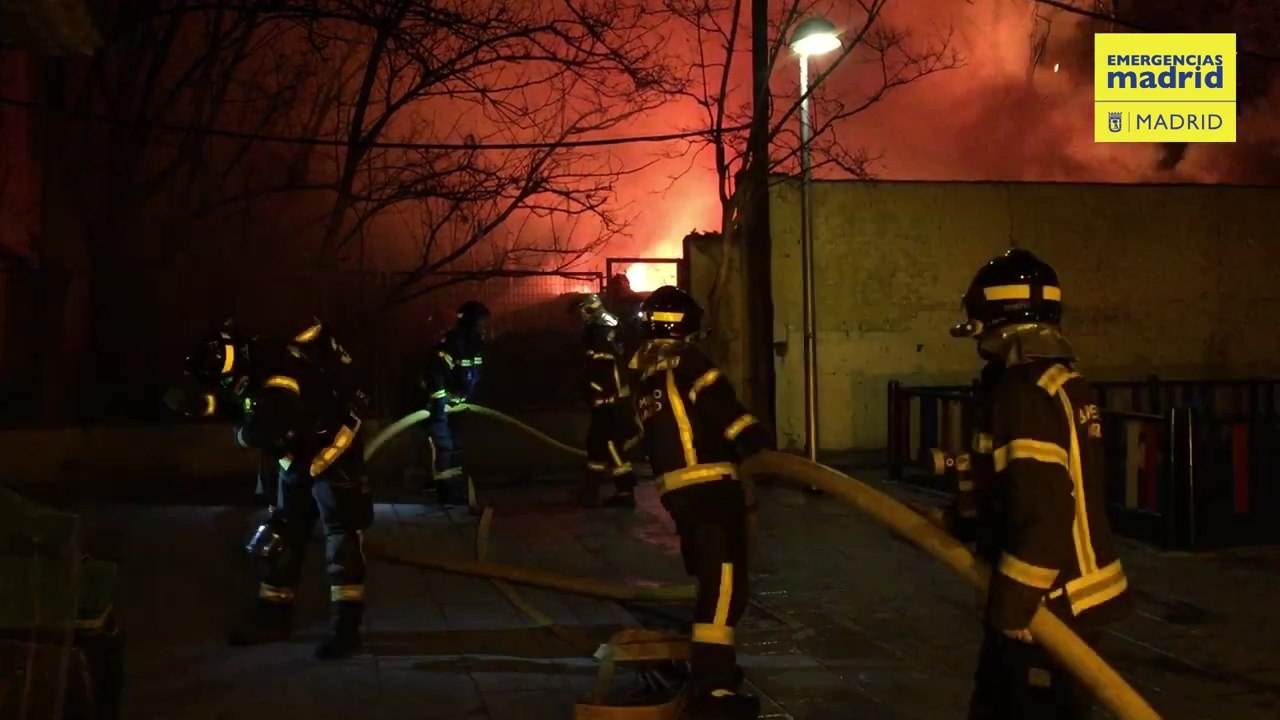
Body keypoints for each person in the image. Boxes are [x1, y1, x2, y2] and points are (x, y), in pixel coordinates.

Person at [948, 249, 1134, 719]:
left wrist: (1013, 609)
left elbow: (1043, 512)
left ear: (995, 318)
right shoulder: (1060, 381)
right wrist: (954, 520)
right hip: (1073, 596)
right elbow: (1017, 491)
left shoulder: (1022, 392)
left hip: (1050, 604)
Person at [170, 323, 373, 659]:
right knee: (284, 533)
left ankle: (346, 630)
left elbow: (271, 419)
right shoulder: (248, 370)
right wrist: (197, 405)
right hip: (295, 458)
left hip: (334, 453)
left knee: (342, 538)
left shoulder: (274, 367)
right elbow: (238, 404)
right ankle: (273, 617)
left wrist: (242, 435)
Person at [629, 285, 771, 720]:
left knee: (718, 583)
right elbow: (728, 416)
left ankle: (714, 670)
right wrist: (763, 449)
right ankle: (713, 690)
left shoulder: (645, 371)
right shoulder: (690, 363)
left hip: (678, 492)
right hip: (712, 487)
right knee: (725, 587)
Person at [569, 293, 639, 508]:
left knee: (610, 444)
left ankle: (625, 491)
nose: (576, 319)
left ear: (586, 310)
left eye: (577, 313)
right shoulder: (609, 327)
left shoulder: (598, 332)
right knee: (596, 443)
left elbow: (603, 367)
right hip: (610, 398)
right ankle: (591, 490)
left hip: (609, 400)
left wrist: (601, 394)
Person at [418, 300, 489, 505]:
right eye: (482, 321)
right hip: (439, 405)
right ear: (472, 321)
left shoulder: (473, 343)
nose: (484, 325)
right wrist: (441, 401)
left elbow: (472, 373)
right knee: (444, 446)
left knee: (455, 446)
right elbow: (435, 371)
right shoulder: (453, 342)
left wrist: (464, 397)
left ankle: (452, 488)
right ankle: (443, 491)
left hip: (457, 405)